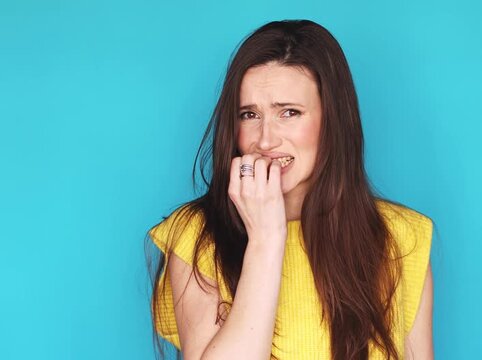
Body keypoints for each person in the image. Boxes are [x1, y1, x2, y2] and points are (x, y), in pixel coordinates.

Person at [145, 19, 434, 360]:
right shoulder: (196, 235)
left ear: (333, 121)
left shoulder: (401, 238)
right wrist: (266, 239)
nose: (265, 140)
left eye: (289, 112)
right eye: (249, 114)